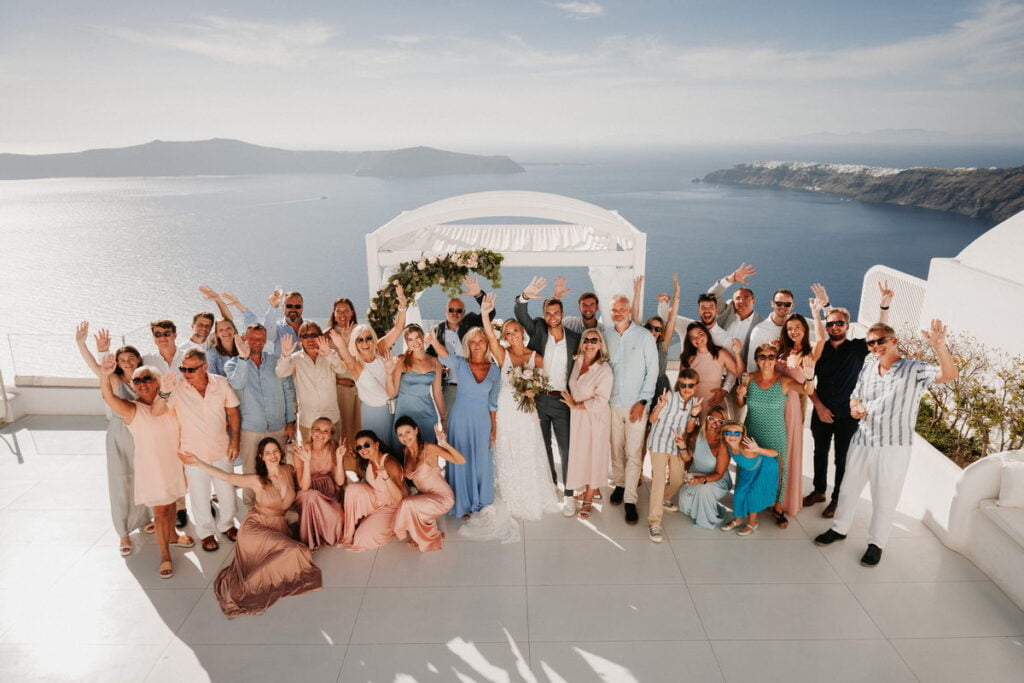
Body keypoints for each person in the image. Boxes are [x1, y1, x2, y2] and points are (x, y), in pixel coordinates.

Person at [815, 319, 957, 567]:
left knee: (885, 496)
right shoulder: (868, 369)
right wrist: (855, 407)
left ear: (894, 341)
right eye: (871, 343)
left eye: (880, 341)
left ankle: (876, 544)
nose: (875, 346)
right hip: (862, 439)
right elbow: (855, 396)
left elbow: (948, 375)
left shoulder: (913, 369)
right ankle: (839, 529)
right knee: (848, 489)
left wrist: (939, 347)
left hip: (893, 446)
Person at [179, 440, 322, 617]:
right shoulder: (257, 480)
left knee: (301, 553)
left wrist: (306, 462)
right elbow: (227, 477)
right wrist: (199, 463)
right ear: (261, 457)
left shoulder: (288, 470)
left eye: (275, 451)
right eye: (267, 453)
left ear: (281, 452)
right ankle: (243, 588)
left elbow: (305, 486)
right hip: (255, 528)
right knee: (297, 551)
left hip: (278, 526)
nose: (273, 456)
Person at [805, 282, 893, 518]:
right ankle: (819, 491)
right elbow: (807, 381)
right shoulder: (819, 349)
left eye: (839, 323)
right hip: (822, 411)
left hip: (847, 414)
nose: (834, 327)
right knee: (819, 453)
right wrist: (819, 407)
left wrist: (884, 306)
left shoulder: (856, 348)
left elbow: (879, 333)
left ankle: (837, 499)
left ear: (847, 326)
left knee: (842, 459)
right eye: (830, 324)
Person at [99, 358, 191, 578]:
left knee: (171, 504)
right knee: (160, 513)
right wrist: (104, 375)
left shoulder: (168, 401)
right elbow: (108, 397)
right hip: (152, 470)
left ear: (158, 381)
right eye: (137, 380)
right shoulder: (132, 409)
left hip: (172, 464)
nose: (141, 383)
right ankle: (164, 555)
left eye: (147, 378)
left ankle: (172, 535)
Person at [475, 294, 559, 525]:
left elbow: (544, 383)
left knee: (528, 450)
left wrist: (534, 392)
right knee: (508, 451)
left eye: (515, 330)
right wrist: (485, 313)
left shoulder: (536, 357)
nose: (512, 335)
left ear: (522, 331)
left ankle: (529, 494)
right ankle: (511, 496)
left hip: (526, 413)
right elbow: (489, 336)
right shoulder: (503, 355)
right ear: (505, 337)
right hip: (506, 411)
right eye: (507, 333)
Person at [153, 348, 241, 552]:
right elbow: (157, 412)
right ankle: (206, 533)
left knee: (227, 492)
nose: (186, 373)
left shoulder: (221, 383)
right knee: (199, 496)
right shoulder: (176, 388)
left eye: (191, 369)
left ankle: (227, 525)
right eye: (183, 369)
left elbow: (233, 413)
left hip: (221, 448)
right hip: (192, 453)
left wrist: (235, 441)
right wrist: (164, 391)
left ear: (205, 367)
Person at [76, 322, 148, 556]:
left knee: (143, 477)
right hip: (120, 434)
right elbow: (98, 368)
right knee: (120, 480)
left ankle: (145, 517)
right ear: (117, 362)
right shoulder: (115, 380)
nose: (127, 362)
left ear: (138, 359)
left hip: (143, 433)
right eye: (122, 359)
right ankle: (123, 532)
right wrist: (84, 344)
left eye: (131, 358)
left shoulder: (145, 379)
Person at [515, 276, 582, 515]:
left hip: (563, 400)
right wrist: (526, 295)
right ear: (544, 315)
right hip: (540, 399)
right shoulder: (538, 330)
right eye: (548, 313)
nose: (552, 316)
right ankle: (551, 483)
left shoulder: (574, 338)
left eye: (556, 312)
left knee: (566, 449)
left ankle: (569, 494)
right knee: (543, 447)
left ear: (563, 314)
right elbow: (520, 313)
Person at [735, 344, 815, 528]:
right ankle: (748, 503)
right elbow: (740, 404)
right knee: (749, 467)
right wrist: (740, 395)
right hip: (752, 430)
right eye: (762, 357)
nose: (767, 360)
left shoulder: (784, 381)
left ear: (775, 359)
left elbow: (807, 390)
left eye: (771, 357)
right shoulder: (748, 378)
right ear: (756, 360)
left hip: (775, 433)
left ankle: (777, 507)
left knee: (778, 470)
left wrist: (810, 377)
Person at [425, 328, 500, 519]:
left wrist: (494, 428)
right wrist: (434, 342)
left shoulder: (494, 370)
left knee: (482, 461)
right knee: (460, 458)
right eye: (473, 341)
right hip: (460, 419)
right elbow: (445, 356)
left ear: (486, 344)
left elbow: (493, 402)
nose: (477, 344)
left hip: (482, 420)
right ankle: (462, 502)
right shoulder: (460, 363)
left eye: (481, 340)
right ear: (467, 344)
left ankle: (481, 501)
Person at [225, 324, 297, 508]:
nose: (256, 342)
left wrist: (291, 421)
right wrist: (243, 358)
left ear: (265, 340)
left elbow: (289, 390)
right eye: (252, 338)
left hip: (278, 426)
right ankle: (252, 508)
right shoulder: (233, 363)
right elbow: (237, 384)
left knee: (278, 469)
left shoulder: (277, 361)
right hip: (250, 429)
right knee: (250, 471)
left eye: (260, 339)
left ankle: (279, 505)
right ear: (245, 338)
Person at [604, 294, 659, 524]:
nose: (618, 313)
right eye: (614, 310)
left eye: (622, 309)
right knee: (616, 449)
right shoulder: (606, 335)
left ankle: (630, 500)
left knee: (634, 453)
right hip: (612, 404)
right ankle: (619, 484)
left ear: (629, 311)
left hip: (637, 405)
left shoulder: (644, 336)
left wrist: (643, 401)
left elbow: (652, 370)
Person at [331, 286, 407, 446]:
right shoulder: (356, 364)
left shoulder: (380, 349)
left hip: (393, 409)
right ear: (355, 343)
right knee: (375, 449)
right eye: (360, 340)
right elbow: (345, 356)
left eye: (368, 338)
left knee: (395, 450)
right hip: (373, 413)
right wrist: (341, 344)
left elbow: (398, 328)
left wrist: (402, 306)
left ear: (373, 338)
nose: (365, 343)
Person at [773, 297, 827, 517]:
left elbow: (821, 339)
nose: (793, 331)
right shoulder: (782, 351)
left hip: (790, 407)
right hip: (773, 405)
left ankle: (785, 500)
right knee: (773, 451)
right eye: (790, 328)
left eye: (797, 327)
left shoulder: (808, 355)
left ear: (805, 330)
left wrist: (816, 314)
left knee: (787, 452)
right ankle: (771, 496)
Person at [644, 369, 703, 542]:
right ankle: (654, 522)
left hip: (677, 444)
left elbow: (690, 429)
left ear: (696, 386)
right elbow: (651, 420)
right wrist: (660, 406)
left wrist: (694, 415)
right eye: (683, 385)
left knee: (677, 479)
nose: (686, 389)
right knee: (659, 480)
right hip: (659, 442)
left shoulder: (695, 403)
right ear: (679, 384)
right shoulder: (669, 397)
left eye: (690, 385)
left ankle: (662, 499)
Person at [561, 329, 613, 519]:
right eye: (586, 340)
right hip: (578, 418)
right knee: (582, 455)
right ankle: (588, 490)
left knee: (594, 456)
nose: (589, 344)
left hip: (595, 418)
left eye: (594, 340)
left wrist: (575, 405)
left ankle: (588, 499)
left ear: (600, 344)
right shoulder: (577, 361)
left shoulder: (604, 370)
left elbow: (601, 401)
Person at [393, 417, 463, 551]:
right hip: (425, 495)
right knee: (406, 502)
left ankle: (404, 531)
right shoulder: (405, 452)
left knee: (408, 503)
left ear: (416, 430)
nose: (405, 437)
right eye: (400, 435)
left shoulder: (429, 448)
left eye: (407, 432)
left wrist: (444, 443)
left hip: (443, 498)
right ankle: (421, 534)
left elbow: (460, 460)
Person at [427, 275, 491, 410]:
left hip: (473, 384)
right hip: (450, 386)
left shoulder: (471, 321)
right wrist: (438, 367)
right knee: (449, 420)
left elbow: (489, 314)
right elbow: (430, 356)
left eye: (459, 310)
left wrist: (478, 295)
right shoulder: (437, 331)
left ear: (464, 312)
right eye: (451, 310)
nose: (454, 313)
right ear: (445, 311)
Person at [275, 321, 345, 444]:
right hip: (308, 421)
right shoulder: (295, 358)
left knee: (334, 453)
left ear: (320, 337)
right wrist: (285, 355)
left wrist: (328, 355)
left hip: (332, 418)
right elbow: (281, 372)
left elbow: (342, 369)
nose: (310, 339)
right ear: (300, 339)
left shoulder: (331, 354)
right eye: (305, 336)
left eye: (313, 335)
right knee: (309, 454)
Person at [293, 418, 354, 549]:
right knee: (311, 495)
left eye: (326, 431)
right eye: (318, 429)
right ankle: (309, 540)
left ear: (330, 435)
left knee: (339, 518)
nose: (321, 434)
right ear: (311, 432)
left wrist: (339, 458)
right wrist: (307, 461)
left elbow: (340, 481)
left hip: (328, 491)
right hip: (306, 493)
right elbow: (304, 487)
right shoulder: (300, 452)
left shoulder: (333, 449)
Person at [343, 430, 407, 550]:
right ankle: (351, 529)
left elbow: (400, 498)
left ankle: (393, 525)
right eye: (359, 447)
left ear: (377, 444)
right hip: (376, 500)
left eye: (367, 445)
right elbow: (361, 480)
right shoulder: (369, 461)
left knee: (362, 538)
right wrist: (352, 461)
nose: (363, 449)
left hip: (392, 506)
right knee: (352, 489)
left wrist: (386, 477)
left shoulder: (390, 463)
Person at [720, 421, 779, 536]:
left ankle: (752, 522)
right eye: (728, 433)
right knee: (739, 493)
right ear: (723, 434)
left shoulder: (746, 448)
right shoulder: (727, 446)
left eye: (737, 433)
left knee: (753, 495)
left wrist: (758, 449)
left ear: (742, 436)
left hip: (764, 468)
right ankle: (738, 519)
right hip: (749, 470)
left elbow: (775, 453)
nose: (732, 436)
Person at [678, 405, 732, 530]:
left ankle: (708, 519)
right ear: (706, 419)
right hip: (695, 474)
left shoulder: (722, 445)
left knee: (703, 489)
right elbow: (686, 458)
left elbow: (719, 474)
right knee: (684, 502)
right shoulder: (697, 435)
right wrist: (682, 446)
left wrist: (701, 480)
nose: (715, 424)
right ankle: (710, 505)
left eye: (720, 421)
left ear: (724, 425)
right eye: (712, 419)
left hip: (716, 480)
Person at [388, 324, 444, 443]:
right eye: (410, 339)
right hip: (405, 416)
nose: (415, 342)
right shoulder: (402, 360)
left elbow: (438, 393)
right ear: (406, 342)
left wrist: (444, 418)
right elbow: (392, 393)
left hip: (427, 415)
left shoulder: (435, 362)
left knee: (427, 450)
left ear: (423, 337)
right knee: (403, 451)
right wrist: (388, 374)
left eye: (417, 337)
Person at [633, 274, 680, 399]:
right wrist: (637, 291)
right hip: (641, 385)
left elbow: (672, 318)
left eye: (657, 329)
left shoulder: (662, 346)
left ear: (660, 333)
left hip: (659, 386)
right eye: (650, 327)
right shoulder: (640, 343)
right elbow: (635, 315)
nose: (653, 331)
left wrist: (676, 292)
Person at [679, 321, 743, 409]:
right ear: (689, 341)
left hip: (715, 407)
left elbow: (739, 373)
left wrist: (737, 353)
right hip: (693, 408)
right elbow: (680, 385)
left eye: (700, 334)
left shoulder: (720, 354)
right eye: (692, 337)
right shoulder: (687, 359)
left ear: (707, 333)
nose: (697, 339)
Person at [326, 296, 361, 445]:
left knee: (358, 426)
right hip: (337, 387)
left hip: (358, 386)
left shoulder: (361, 332)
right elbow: (322, 367)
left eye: (346, 310)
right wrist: (338, 381)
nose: (342, 314)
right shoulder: (327, 335)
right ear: (333, 314)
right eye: (338, 311)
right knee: (341, 428)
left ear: (352, 312)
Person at [204, 291, 258, 376]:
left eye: (228, 328)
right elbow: (212, 377)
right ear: (217, 334)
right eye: (221, 330)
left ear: (234, 331)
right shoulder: (212, 353)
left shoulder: (243, 344)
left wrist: (239, 305)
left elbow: (253, 322)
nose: (225, 332)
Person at [746, 289, 797, 371]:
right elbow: (752, 364)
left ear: (792, 306)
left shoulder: (798, 325)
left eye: (787, 304)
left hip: (792, 375)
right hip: (768, 377)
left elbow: (819, 325)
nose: (782, 307)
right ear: (772, 304)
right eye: (779, 303)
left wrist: (820, 308)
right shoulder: (759, 330)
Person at [263, 289, 305, 355]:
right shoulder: (277, 328)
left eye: (297, 306)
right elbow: (267, 335)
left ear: (302, 308)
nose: (293, 309)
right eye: (289, 306)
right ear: (282, 308)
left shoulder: (310, 327)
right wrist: (273, 307)